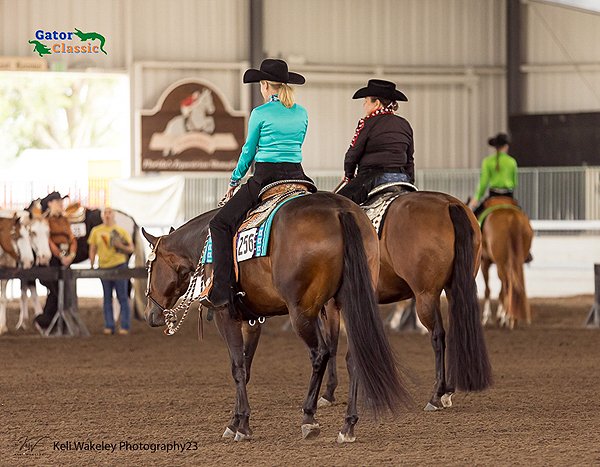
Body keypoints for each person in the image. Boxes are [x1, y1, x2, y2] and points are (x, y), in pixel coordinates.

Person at [207, 58, 315, 308]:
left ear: (266, 85)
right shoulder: (302, 113)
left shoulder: (260, 113)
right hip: (298, 175)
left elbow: (249, 150)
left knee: (220, 223)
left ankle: (223, 290)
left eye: (260, 84)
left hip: (266, 177)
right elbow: (296, 144)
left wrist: (235, 179)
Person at [337, 79, 414, 205]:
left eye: (366, 101)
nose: (364, 105)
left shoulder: (367, 123)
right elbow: (410, 159)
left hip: (373, 178)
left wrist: (349, 176)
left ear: (377, 103)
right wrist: (410, 181)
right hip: (402, 178)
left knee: (337, 205)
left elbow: (353, 153)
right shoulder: (405, 124)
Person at [34, 191, 77, 332]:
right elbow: (48, 241)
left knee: (60, 291)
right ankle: (47, 321)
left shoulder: (65, 220)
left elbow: (71, 239)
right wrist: (60, 256)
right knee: (56, 290)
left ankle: (48, 321)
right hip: (52, 260)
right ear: (50, 204)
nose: (61, 204)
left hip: (63, 259)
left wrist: (71, 255)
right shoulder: (45, 221)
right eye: (58, 202)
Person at [88, 207, 134, 335]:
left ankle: (125, 326)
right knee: (107, 297)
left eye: (109, 213)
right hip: (104, 267)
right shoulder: (96, 231)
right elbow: (92, 249)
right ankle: (109, 325)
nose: (107, 215)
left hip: (119, 266)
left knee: (122, 297)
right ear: (102, 216)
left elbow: (131, 248)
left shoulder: (121, 231)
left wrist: (121, 247)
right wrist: (92, 264)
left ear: (113, 216)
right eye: (105, 213)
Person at [468, 132, 518, 217]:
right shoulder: (512, 161)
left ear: (495, 147)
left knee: (475, 217)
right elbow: (514, 183)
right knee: (522, 215)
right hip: (508, 195)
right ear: (506, 147)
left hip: (494, 194)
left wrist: (476, 198)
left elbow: (483, 183)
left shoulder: (487, 162)